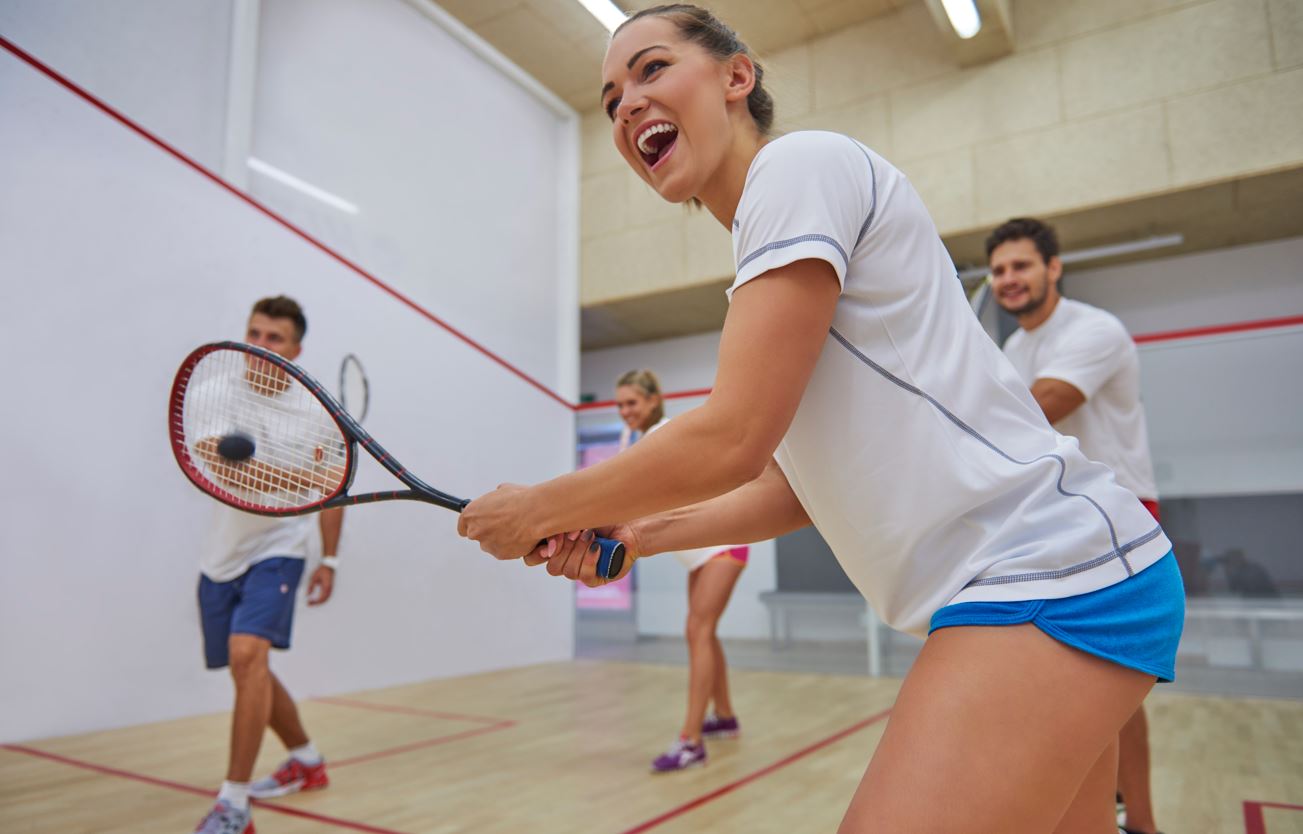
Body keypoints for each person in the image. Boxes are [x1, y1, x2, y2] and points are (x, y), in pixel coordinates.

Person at [459, 5, 1184, 832]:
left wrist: (546, 505)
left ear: (738, 76)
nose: (624, 103)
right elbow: (791, 491)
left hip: (1048, 575)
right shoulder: (779, 251)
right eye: (610, 93)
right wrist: (633, 532)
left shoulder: (797, 168)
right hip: (1057, 575)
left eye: (651, 69)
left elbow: (734, 436)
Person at [988, 218, 1166, 834]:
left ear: (1053, 267)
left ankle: (1140, 823)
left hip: (1120, 517)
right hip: (1055, 521)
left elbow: (1041, 413)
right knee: (1068, 683)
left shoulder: (1095, 330)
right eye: (1001, 269)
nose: (1009, 279)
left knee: (1114, 689)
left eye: (1022, 266)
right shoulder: (1013, 349)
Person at [191, 296, 344, 834]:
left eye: (273, 338)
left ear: (296, 349)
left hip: (281, 547)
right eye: (253, 333)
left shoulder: (317, 414)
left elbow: (333, 499)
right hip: (223, 554)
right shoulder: (211, 392)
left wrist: (328, 557)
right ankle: (305, 759)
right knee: (249, 667)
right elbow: (219, 466)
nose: (258, 347)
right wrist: (306, 484)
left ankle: (234, 803)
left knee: (246, 655)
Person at [615, 369, 747, 772]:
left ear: (654, 400)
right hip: (696, 554)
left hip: (723, 545)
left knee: (697, 630)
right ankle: (723, 716)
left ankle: (691, 742)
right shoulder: (632, 440)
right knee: (703, 630)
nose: (625, 412)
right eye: (619, 405)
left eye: (632, 403)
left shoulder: (666, 434)